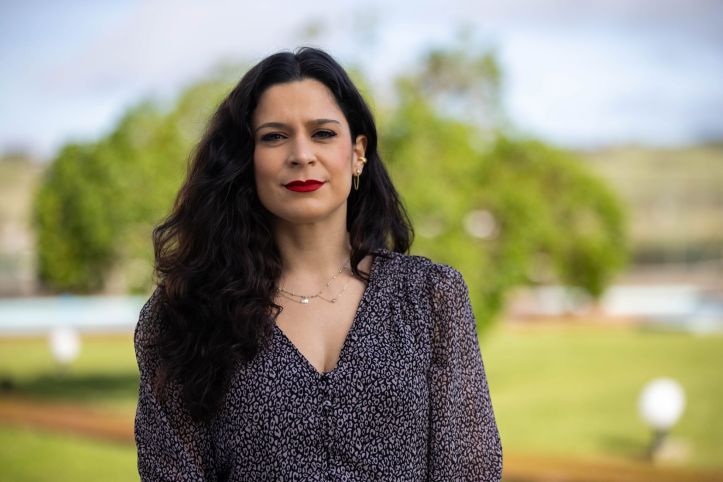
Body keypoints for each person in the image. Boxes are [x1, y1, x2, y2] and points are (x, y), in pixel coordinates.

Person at [134, 46, 502, 481]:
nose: (301, 154)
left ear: (358, 152)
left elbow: (469, 470)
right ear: (246, 159)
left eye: (323, 133)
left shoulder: (430, 297)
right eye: (274, 136)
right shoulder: (183, 312)